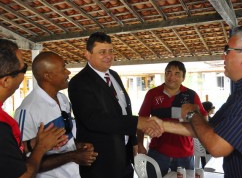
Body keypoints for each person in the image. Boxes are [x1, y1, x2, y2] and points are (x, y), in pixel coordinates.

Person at [158, 24, 242, 178]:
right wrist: (161, 125)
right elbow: (208, 128)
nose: (222, 56)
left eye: (227, 51)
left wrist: (192, 113)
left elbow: (217, 146)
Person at [68, 32, 163, 178]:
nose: (108, 56)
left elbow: (124, 109)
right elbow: (94, 119)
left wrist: (133, 142)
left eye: (111, 51)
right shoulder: (79, 82)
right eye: (102, 52)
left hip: (124, 155)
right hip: (100, 159)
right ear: (87, 54)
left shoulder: (113, 75)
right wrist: (137, 122)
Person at [14, 51, 98, 177]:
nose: (68, 72)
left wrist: (77, 145)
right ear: (47, 76)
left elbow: (66, 137)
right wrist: (72, 156)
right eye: (63, 68)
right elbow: (23, 164)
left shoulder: (63, 99)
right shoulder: (28, 110)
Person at [0, 39, 67, 178]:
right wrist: (41, 148)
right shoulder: (3, 127)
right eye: (23, 69)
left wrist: (34, 143)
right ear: (6, 81)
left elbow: (9, 153)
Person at [137, 61, 208, 176]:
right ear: (164, 74)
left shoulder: (191, 95)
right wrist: (140, 144)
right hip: (157, 152)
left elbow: (204, 117)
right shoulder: (152, 94)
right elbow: (141, 120)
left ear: (183, 77)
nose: (172, 77)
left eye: (177, 74)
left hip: (184, 154)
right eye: (168, 73)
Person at [200, 101, 215, 168]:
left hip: (199, 148)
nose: (214, 108)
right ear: (208, 109)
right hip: (208, 148)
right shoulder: (210, 120)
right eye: (213, 107)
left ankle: (204, 166)